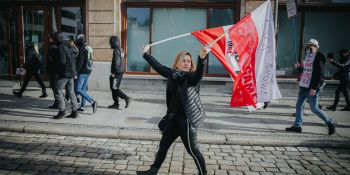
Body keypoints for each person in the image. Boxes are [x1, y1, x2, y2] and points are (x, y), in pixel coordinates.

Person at [136, 46, 209, 175]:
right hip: (173, 119)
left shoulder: (191, 77)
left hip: (186, 120)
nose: (186, 63)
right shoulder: (172, 74)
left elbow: (199, 75)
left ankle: (203, 173)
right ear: (178, 62)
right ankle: (153, 171)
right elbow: (158, 67)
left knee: (193, 150)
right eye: (184, 60)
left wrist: (202, 58)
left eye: (189, 61)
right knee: (163, 146)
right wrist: (146, 54)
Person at [286, 39, 335, 135]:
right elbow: (307, 70)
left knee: (314, 109)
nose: (309, 47)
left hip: (311, 87)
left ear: (317, 47)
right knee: (299, 106)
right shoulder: (308, 56)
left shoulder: (319, 57)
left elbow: (320, 75)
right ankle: (297, 126)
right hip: (303, 85)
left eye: (311, 45)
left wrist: (315, 88)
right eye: (308, 45)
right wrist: (299, 68)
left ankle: (330, 121)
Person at [53, 32, 78, 119]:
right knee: (71, 91)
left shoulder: (61, 47)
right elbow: (75, 56)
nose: (53, 40)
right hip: (71, 72)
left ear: (57, 39)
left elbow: (62, 61)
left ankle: (62, 111)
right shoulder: (69, 45)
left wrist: (60, 72)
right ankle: (75, 111)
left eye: (54, 38)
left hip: (65, 73)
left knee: (57, 90)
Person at [75, 34, 98, 113]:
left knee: (78, 89)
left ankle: (92, 102)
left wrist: (76, 72)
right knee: (83, 89)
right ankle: (83, 106)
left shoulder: (82, 48)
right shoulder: (89, 47)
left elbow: (80, 62)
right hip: (88, 70)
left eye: (77, 40)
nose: (76, 41)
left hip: (83, 71)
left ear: (80, 40)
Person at [108, 36, 131, 109]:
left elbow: (117, 62)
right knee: (114, 87)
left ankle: (126, 98)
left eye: (110, 42)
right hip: (120, 71)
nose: (110, 44)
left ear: (113, 42)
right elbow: (122, 60)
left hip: (117, 72)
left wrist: (113, 72)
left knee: (114, 88)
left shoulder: (116, 50)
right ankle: (116, 103)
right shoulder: (121, 49)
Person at [47, 33, 59, 108]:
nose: (49, 39)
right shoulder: (56, 46)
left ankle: (57, 102)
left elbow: (51, 59)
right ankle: (58, 101)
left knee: (54, 87)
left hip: (53, 70)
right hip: (55, 70)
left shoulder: (52, 47)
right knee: (55, 87)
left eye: (50, 38)